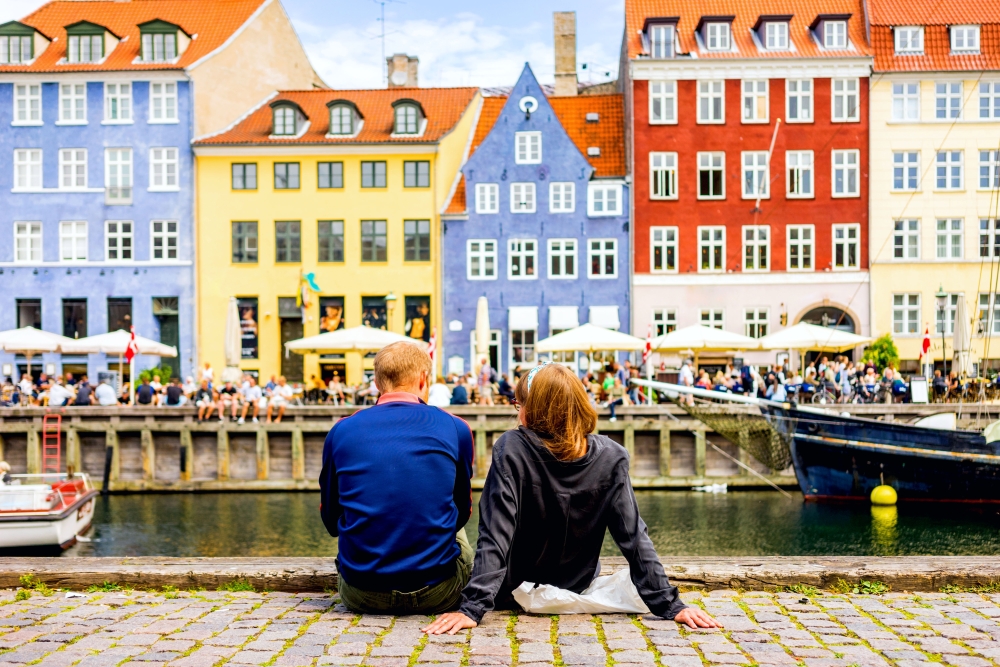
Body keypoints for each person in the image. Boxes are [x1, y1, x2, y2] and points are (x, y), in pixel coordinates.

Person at [422, 363, 720, 635]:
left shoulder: (512, 447)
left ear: (534, 409)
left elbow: (495, 534)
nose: (518, 412)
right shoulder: (611, 456)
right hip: (576, 583)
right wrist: (670, 605)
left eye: (519, 404)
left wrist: (472, 607)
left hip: (513, 588)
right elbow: (633, 537)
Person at [319, 341, 474, 615]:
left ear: (377, 383)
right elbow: (463, 511)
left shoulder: (341, 430)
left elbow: (331, 519)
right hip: (438, 591)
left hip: (361, 593)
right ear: (423, 379)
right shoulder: (456, 428)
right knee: (455, 521)